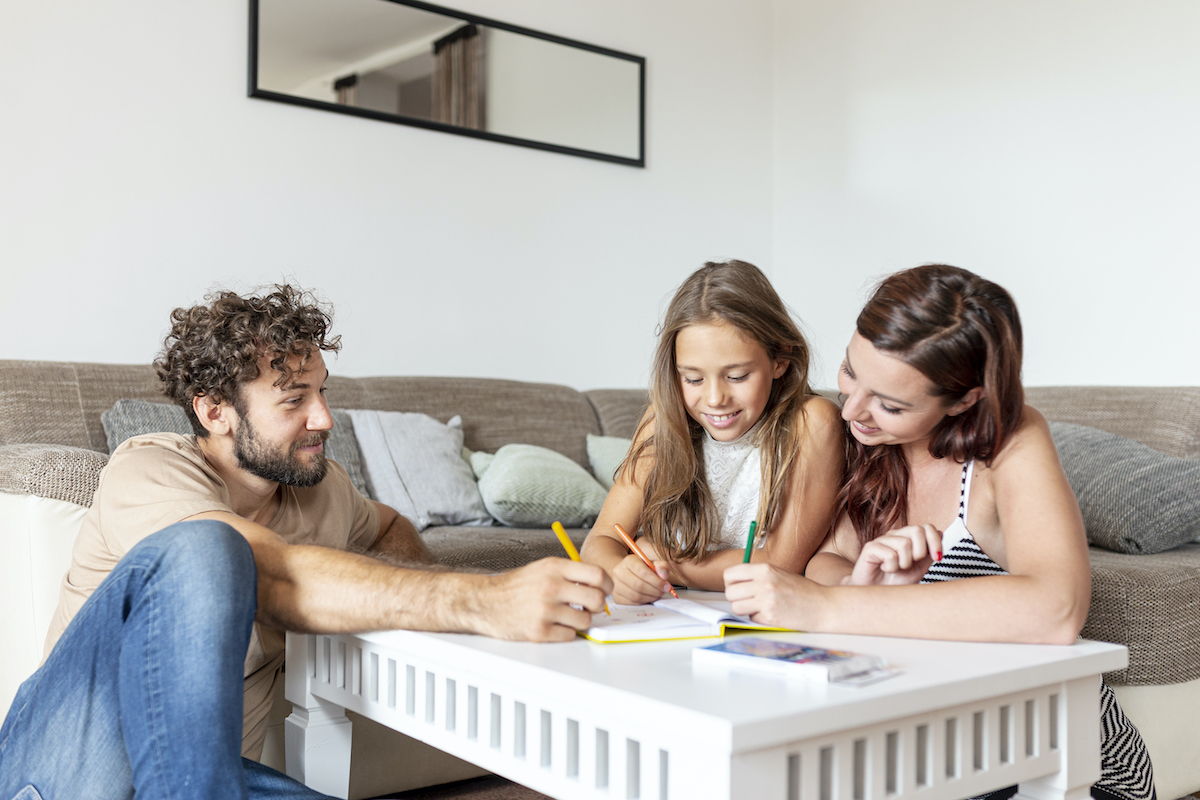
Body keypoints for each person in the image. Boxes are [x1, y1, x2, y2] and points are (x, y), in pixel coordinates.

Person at [0, 285, 612, 800]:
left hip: (214, 781)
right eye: (295, 400)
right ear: (215, 411)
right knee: (211, 550)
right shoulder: (148, 469)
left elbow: (391, 526)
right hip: (61, 772)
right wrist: (485, 600)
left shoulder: (322, 488)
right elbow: (274, 576)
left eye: (323, 393)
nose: (323, 419)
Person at [723, 264, 1154, 800]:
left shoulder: (1009, 442)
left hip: (1058, 755)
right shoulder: (864, 438)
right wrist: (862, 582)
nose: (853, 409)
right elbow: (826, 558)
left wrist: (829, 608)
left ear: (965, 399)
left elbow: (1057, 608)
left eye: (892, 404)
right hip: (934, 740)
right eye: (851, 372)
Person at [580, 260, 843, 604]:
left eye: (737, 376)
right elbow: (600, 541)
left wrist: (657, 557)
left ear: (780, 360)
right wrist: (620, 572)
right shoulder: (661, 422)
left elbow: (779, 565)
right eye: (693, 379)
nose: (716, 399)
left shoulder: (812, 423)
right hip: (672, 616)